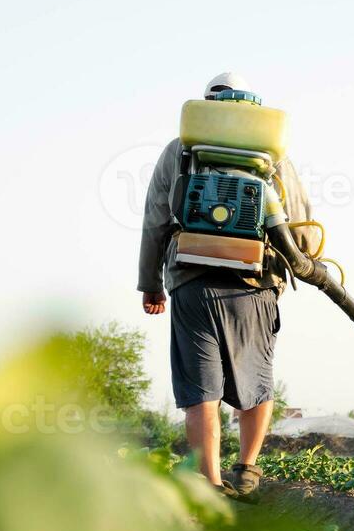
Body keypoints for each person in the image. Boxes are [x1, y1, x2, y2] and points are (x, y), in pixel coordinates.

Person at [137, 72, 320, 496]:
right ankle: (248, 468)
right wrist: (305, 261)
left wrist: (151, 284)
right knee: (257, 379)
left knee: (201, 390)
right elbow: (299, 221)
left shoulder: (178, 151)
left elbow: (155, 220)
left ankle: (211, 483)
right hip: (254, 283)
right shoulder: (273, 155)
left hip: (191, 280)